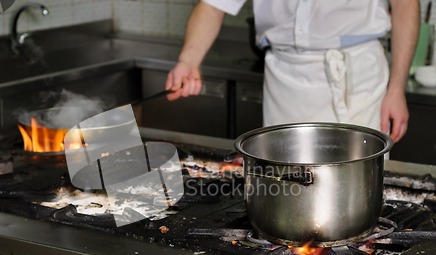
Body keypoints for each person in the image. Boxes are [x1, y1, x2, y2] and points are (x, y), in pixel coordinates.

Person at [165, 0, 420, 143]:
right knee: (285, 184)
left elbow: (405, 4)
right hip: (283, 76)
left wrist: (396, 88)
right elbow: (213, 5)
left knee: (354, 188)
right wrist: (189, 59)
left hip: (356, 75)